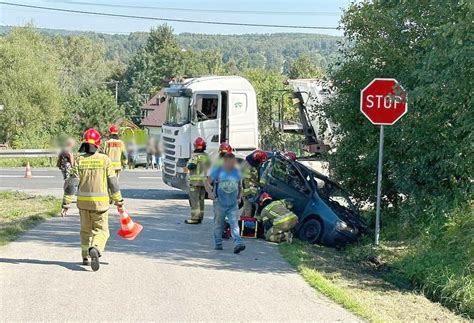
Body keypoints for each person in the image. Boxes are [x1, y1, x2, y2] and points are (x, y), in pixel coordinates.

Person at [61, 128, 124, 271]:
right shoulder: (105, 160)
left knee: (85, 231)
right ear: (98, 144)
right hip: (100, 205)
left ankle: (85, 256)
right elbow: (113, 182)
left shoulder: (79, 160)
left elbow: (72, 183)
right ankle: (95, 248)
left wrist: (66, 203)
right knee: (102, 231)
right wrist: (118, 200)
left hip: (83, 204)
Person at [206, 153, 246, 253]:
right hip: (219, 203)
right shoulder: (217, 171)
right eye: (230, 163)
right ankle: (218, 244)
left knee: (234, 224)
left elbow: (240, 186)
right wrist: (210, 193)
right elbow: (206, 182)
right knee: (218, 225)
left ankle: (238, 243)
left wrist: (239, 197)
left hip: (232, 204)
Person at [185, 137, 211, 224]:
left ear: (195, 146)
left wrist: (188, 163)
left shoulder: (195, 156)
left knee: (194, 201)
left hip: (194, 183)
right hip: (203, 182)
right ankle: (200, 217)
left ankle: (194, 218)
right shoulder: (206, 156)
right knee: (201, 200)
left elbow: (191, 166)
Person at [241, 150, 268, 217]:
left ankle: (241, 224)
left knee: (246, 209)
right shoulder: (247, 167)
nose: (260, 164)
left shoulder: (253, 163)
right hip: (247, 191)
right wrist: (249, 194)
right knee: (248, 209)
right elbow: (246, 182)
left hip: (250, 189)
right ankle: (247, 225)